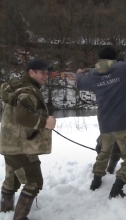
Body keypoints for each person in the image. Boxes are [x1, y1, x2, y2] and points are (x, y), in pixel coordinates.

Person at [76, 46, 126, 199]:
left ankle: (96, 180)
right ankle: (117, 187)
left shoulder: (93, 74)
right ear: (114, 58)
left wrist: (79, 74)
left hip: (105, 123)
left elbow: (80, 83)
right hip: (123, 122)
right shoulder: (122, 68)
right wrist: (122, 62)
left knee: (104, 152)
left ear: (99, 59)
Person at [0, 59, 56, 219]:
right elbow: (22, 116)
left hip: (10, 144)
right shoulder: (28, 92)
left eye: (47, 73)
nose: (46, 76)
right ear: (31, 72)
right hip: (21, 147)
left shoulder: (15, 87)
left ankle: (6, 211)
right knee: (34, 182)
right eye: (42, 72)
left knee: (12, 180)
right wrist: (46, 122)